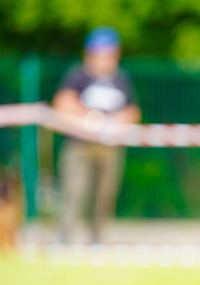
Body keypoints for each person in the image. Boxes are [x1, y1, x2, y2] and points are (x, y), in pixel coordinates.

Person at [53, 26, 141, 244]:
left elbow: (133, 111)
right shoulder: (78, 75)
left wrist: (116, 121)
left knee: (104, 194)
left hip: (109, 147)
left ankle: (97, 238)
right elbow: (62, 102)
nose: (103, 59)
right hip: (79, 145)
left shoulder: (121, 79)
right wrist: (91, 117)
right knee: (74, 191)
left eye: (108, 54)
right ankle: (64, 237)